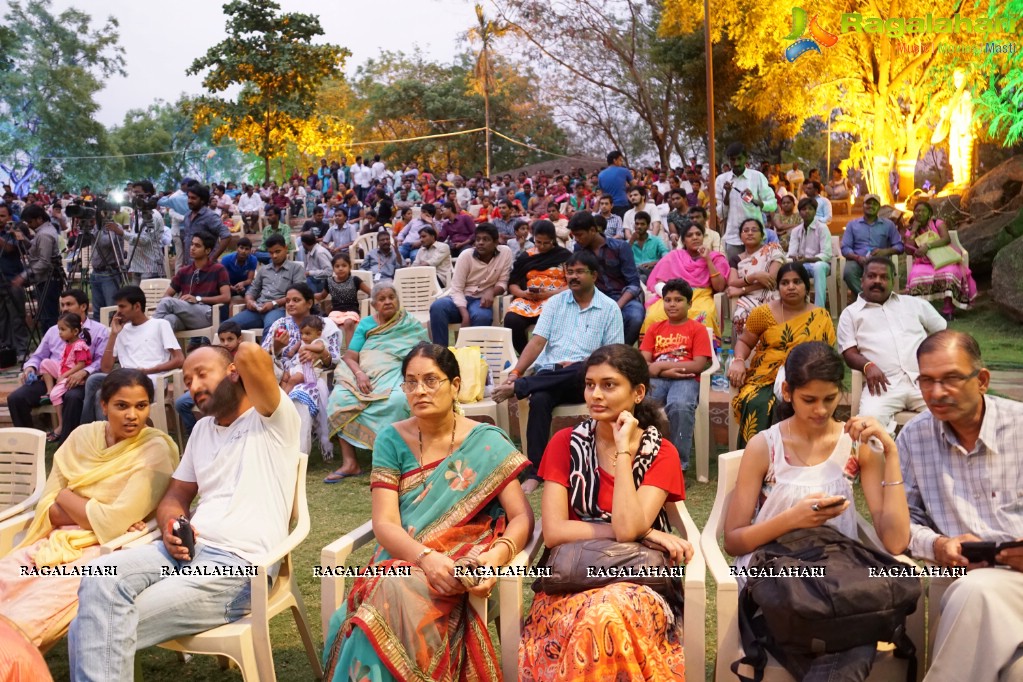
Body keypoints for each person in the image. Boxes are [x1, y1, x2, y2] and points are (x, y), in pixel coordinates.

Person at [69, 342, 301, 680]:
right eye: (187, 379)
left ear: (234, 373)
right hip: (183, 551)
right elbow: (174, 497)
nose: (192, 387)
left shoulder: (273, 420)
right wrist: (171, 524)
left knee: (92, 626)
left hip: (239, 568)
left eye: (201, 374)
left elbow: (251, 353)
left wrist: (237, 359)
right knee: (98, 576)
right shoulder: (203, 431)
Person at [323, 342, 533, 681]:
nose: (420, 390)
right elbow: (385, 523)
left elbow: (522, 517)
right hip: (405, 557)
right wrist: (425, 559)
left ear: (455, 386)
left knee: (384, 600)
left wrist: (494, 559)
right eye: (411, 382)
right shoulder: (391, 439)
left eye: (431, 380)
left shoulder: (487, 441)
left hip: (468, 564)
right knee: (389, 590)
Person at [723, 341, 910, 682]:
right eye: (809, 399)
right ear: (787, 392)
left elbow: (895, 542)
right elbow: (734, 542)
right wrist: (793, 519)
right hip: (773, 574)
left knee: (848, 623)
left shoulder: (856, 445)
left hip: (838, 578)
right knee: (849, 638)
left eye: (830, 398)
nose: (821, 410)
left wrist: (891, 453)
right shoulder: (766, 446)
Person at [518, 344, 692, 680]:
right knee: (597, 617)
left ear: (638, 392)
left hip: (638, 585)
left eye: (609, 385)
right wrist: (649, 533)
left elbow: (627, 529)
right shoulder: (564, 443)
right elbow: (555, 531)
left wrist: (624, 452)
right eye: (589, 384)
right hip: (570, 582)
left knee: (605, 614)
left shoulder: (661, 452)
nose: (595, 394)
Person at [0, 370, 179, 649]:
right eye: (122, 406)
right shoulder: (82, 436)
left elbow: (111, 521)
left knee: (28, 614)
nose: (132, 415)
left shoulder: (153, 450)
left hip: (106, 551)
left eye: (141, 406)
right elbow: (47, 510)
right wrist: (93, 514)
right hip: (55, 540)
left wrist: (66, 496)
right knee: (7, 577)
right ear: (104, 405)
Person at [896, 330, 1023, 682]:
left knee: (974, 590)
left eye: (951, 378)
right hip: (974, 583)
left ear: (981, 380)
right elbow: (903, 520)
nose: (936, 393)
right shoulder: (914, 437)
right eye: (927, 381)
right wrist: (937, 545)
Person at [493, 251, 624, 493]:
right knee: (540, 399)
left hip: (588, 381)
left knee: (581, 368)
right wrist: (517, 373)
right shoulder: (555, 303)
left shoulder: (609, 309)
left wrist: (580, 365)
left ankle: (521, 389)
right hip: (550, 375)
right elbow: (536, 342)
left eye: (579, 272)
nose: (572, 277)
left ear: (594, 275)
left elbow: (611, 356)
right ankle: (536, 472)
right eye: (569, 272)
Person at [326, 282, 429, 482]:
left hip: (395, 372)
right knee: (338, 398)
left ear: (398, 300)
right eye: (382, 299)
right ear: (374, 304)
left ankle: (396, 459)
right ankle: (350, 463)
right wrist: (359, 374)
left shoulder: (409, 325)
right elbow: (350, 356)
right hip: (364, 372)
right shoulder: (366, 324)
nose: (388, 302)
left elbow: (423, 355)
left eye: (391, 297)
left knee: (398, 400)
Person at [728, 263, 836, 447]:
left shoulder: (820, 316)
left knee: (805, 402)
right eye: (785, 283)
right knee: (758, 403)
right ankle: (756, 460)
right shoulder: (763, 313)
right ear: (778, 287)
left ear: (806, 286)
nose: (791, 287)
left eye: (797, 282)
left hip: (807, 375)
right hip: (764, 377)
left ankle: (802, 457)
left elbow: (827, 354)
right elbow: (745, 342)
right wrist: (738, 360)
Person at [837, 256, 947, 432]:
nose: (877, 281)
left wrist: (936, 365)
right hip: (882, 386)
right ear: (862, 280)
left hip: (923, 380)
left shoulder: (914, 304)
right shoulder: (851, 314)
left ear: (892, 280)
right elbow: (848, 353)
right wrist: (867, 366)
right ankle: (883, 458)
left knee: (951, 415)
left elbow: (944, 333)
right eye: (872, 276)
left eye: (884, 277)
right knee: (867, 425)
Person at [7, 290, 108, 442]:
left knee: (72, 397)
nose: (65, 308)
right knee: (16, 398)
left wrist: (85, 372)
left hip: (76, 379)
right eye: (62, 305)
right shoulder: (54, 330)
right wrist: (30, 368)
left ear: (83, 306)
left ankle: (65, 444)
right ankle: (27, 443)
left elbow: (101, 360)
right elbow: (39, 355)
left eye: (69, 304)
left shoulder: (98, 330)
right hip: (51, 379)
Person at [81, 286, 184, 424]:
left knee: (102, 395)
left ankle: (105, 438)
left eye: (122, 306)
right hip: (124, 378)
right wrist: (113, 334)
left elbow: (179, 359)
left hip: (148, 380)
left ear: (136, 306)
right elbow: (106, 368)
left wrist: (147, 371)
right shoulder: (121, 329)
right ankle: (89, 430)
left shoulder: (160, 325)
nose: (119, 311)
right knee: (94, 380)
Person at [640, 279, 712, 469]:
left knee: (680, 406)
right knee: (639, 404)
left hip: (685, 379)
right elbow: (643, 362)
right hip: (657, 379)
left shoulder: (698, 329)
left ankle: (678, 466)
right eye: (668, 299)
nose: (672, 304)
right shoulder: (654, 328)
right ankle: (644, 458)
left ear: (690, 304)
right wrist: (658, 369)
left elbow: (698, 365)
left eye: (678, 300)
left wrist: (661, 366)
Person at [264, 284, 342, 457]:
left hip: (311, 376)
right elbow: (262, 358)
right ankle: (270, 453)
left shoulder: (324, 324)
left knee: (299, 397)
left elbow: (335, 359)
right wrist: (275, 348)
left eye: (296, 300)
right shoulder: (280, 324)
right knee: (264, 393)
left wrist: (321, 353)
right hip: (280, 374)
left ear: (309, 303)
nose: (290, 304)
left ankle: (298, 457)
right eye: (288, 300)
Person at [642, 222, 730, 344]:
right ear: (683, 240)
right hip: (674, 295)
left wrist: (707, 259)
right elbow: (659, 281)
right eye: (690, 235)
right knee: (654, 315)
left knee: (705, 314)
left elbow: (719, 287)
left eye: (698, 234)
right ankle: (660, 349)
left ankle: (701, 350)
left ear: (703, 238)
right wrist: (670, 298)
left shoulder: (716, 258)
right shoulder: (674, 256)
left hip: (701, 296)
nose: (695, 237)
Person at [428, 223, 513, 346]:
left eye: (486, 239)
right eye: (478, 239)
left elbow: (503, 281)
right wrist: (465, 315)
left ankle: (473, 357)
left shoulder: (505, 252)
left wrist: (492, 291)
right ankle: (441, 353)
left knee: (482, 316)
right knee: (437, 307)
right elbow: (456, 289)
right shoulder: (466, 256)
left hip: (481, 300)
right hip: (460, 298)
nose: (480, 243)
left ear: (496, 243)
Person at [569, 211, 644, 346]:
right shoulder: (579, 249)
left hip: (622, 298)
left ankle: (621, 352)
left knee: (635, 317)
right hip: (594, 299)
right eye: (574, 236)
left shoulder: (620, 247)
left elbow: (633, 283)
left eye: (579, 235)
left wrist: (616, 306)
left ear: (592, 230)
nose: (577, 240)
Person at [503, 221, 571, 354]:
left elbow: (572, 285)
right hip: (528, 299)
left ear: (553, 240)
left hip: (555, 299)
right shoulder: (527, 256)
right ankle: (526, 356)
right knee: (512, 319)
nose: (542, 246)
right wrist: (523, 294)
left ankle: (548, 357)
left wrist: (550, 293)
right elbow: (513, 283)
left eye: (546, 243)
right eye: (538, 242)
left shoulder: (564, 256)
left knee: (550, 317)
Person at [901, 200, 976, 320]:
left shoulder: (937, 223)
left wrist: (928, 246)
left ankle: (948, 311)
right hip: (924, 262)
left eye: (923, 211)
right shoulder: (911, 230)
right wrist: (914, 231)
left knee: (950, 274)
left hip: (943, 258)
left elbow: (946, 239)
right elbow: (908, 251)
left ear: (929, 213)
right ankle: (921, 312)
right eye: (917, 211)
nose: (919, 213)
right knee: (915, 275)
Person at [152, 230, 231, 336]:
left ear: (207, 250)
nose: (192, 248)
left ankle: (147, 335)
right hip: (185, 315)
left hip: (207, 315)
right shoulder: (184, 271)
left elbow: (226, 297)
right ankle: (161, 351)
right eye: (192, 244)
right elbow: (167, 294)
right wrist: (180, 304)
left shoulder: (218, 269)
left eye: (197, 246)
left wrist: (198, 299)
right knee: (167, 321)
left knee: (167, 302)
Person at [173, 321, 241, 439]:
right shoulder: (213, 355)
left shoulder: (241, 355)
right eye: (222, 340)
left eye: (230, 339)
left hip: (230, 389)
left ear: (239, 339)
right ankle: (192, 435)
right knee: (180, 403)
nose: (226, 343)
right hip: (207, 389)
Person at [227, 233, 305, 333]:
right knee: (227, 327)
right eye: (271, 253)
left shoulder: (296, 269)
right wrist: (250, 301)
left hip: (279, 310)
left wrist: (273, 303)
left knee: (271, 329)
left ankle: (264, 349)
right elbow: (252, 290)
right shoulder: (264, 270)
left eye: (278, 251)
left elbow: (298, 294)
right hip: (257, 309)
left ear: (285, 248)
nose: (274, 256)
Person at [716, 143, 778, 262]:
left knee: (757, 271)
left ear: (746, 158)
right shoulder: (721, 180)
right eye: (733, 159)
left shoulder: (757, 177)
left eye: (739, 158)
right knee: (735, 273)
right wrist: (727, 194)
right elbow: (721, 213)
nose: (736, 163)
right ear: (729, 160)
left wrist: (756, 201)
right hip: (733, 237)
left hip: (755, 236)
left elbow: (773, 204)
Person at [726, 217, 786, 338]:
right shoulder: (735, 259)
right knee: (740, 317)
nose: (750, 233)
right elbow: (732, 282)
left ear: (762, 235)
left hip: (772, 294)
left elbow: (771, 280)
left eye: (754, 230)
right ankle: (745, 355)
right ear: (740, 237)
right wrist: (754, 276)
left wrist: (743, 289)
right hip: (749, 300)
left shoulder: (772, 249)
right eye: (746, 230)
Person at [38, 313, 93, 441]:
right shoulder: (68, 343)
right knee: (45, 363)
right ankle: (49, 390)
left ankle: (61, 425)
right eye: (59, 329)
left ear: (74, 331)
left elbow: (81, 365)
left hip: (73, 375)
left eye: (63, 330)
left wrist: (64, 376)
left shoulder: (79, 345)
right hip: (63, 371)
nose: (60, 333)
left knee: (55, 395)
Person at [8, 203, 61, 331]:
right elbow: (33, 247)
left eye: (30, 221)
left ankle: (51, 345)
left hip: (48, 279)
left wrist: (24, 275)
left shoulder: (44, 235)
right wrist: (21, 237)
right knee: (46, 315)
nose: (29, 224)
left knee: (48, 317)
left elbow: (44, 262)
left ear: (39, 219)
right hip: (45, 279)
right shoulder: (43, 231)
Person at [840, 193, 903, 296]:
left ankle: (870, 299)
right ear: (863, 206)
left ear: (879, 207)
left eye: (875, 204)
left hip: (880, 260)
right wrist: (857, 257)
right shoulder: (852, 225)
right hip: (858, 261)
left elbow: (899, 246)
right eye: (868, 203)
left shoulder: (888, 225)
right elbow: (845, 248)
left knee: (885, 273)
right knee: (848, 272)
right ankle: (867, 298)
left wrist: (885, 251)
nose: (871, 206)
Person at [316, 252, 370, 348]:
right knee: (328, 323)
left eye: (344, 265)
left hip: (352, 311)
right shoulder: (329, 282)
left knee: (348, 322)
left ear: (350, 266)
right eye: (337, 266)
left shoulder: (355, 280)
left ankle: (351, 350)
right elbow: (322, 296)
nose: (340, 268)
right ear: (333, 268)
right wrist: (307, 294)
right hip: (335, 312)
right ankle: (332, 350)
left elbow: (370, 291)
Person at [787, 198, 834, 309]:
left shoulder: (822, 228)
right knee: (788, 265)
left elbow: (826, 254)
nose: (807, 211)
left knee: (818, 266)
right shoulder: (796, 231)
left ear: (815, 211)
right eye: (803, 209)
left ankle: (819, 309)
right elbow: (791, 253)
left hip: (821, 265)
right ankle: (797, 307)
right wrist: (797, 258)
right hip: (803, 264)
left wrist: (807, 259)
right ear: (800, 212)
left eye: (810, 209)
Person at [176, 184, 232, 269]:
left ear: (202, 200)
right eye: (189, 197)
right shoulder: (187, 216)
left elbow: (226, 236)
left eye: (193, 198)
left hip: (207, 268)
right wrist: (185, 263)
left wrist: (212, 259)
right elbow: (187, 241)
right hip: (191, 265)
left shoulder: (210, 216)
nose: (189, 201)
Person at [630, 210, 669, 281]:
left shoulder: (656, 240)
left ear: (648, 226)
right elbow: (622, 258)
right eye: (637, 224)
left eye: (642, 224)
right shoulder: (629, 243)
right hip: (635, 272)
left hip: (651, 271)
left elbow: (667, 256)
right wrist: (631, 241)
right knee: (640, 276)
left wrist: (655, 263)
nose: (639, 226)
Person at [598, 150, 634, 217]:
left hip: (607, 207)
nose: (621, 162)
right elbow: (634, 186)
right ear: (615, 160)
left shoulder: (600, 174)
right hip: (622, 205)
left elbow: (601, 191)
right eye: (620, 160)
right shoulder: (624, 171)